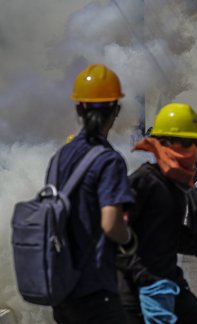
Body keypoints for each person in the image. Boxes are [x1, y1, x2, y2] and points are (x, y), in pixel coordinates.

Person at [119, 103, 197, 324]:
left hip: (169, 283)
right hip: (138, 291)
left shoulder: (177, 187)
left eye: (195, 143)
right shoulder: (143, 182)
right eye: (186, 143)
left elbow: (182, 239)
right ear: (163, 144)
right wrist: (143, 275)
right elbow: (114, 235)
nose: (194, 150)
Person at [52, 64, 135, 323]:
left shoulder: (60, 156)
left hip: (61, 284)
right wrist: (130, 240)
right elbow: (111, 224)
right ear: (116, 111)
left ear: (79, 108)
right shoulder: (109, 160)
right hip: (95, 287)